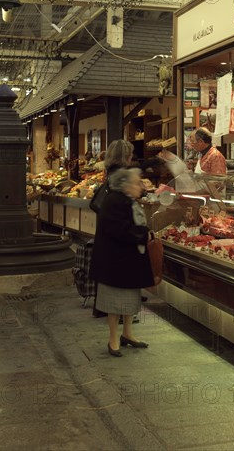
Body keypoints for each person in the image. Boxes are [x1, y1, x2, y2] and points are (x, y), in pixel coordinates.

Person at [89, 168, 154, 357]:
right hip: (115, 262)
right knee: (114, 303)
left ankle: (127, 334)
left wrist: (145, 231)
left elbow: (135, 223)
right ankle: (113, 339)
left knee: (130, 300)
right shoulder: (114, 201)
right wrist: (142, 235)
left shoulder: (126, 200)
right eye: (136, 183)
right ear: (125, 185)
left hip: (126, 261)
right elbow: (120, 230)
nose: (139, 186)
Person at [91, 139, 135, 319]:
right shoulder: (122, 176)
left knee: (108, 273)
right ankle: (117, 315)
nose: (132, 159)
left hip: (106, 229)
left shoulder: (111, 171)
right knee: (118, 275)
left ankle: (104, 309)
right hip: (116, 230)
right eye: (131, 155)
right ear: (125, 157)